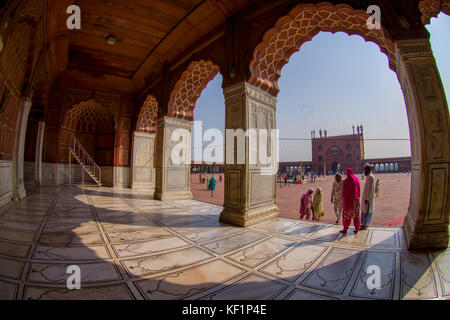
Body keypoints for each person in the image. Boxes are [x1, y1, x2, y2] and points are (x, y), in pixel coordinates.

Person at [340, 168, 361, 234]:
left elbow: (344, 191)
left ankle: (345, 228)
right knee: (356, 215)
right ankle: (357, 228)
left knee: (346, 215)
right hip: (356, 201)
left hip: (348, 201)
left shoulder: (346, 180)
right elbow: (359, 190)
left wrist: (343, 198)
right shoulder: (356, 179)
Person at [360, 164, 375, 230]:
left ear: (369, 170)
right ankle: (363, 224)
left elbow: (370, 189)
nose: (364, 171)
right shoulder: (368, 176)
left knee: (367, 211)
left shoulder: (371, 177)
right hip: (365, 197)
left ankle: (365, 224)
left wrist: (367, 198)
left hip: (367, 198)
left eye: (365, 169)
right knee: (364, 210)